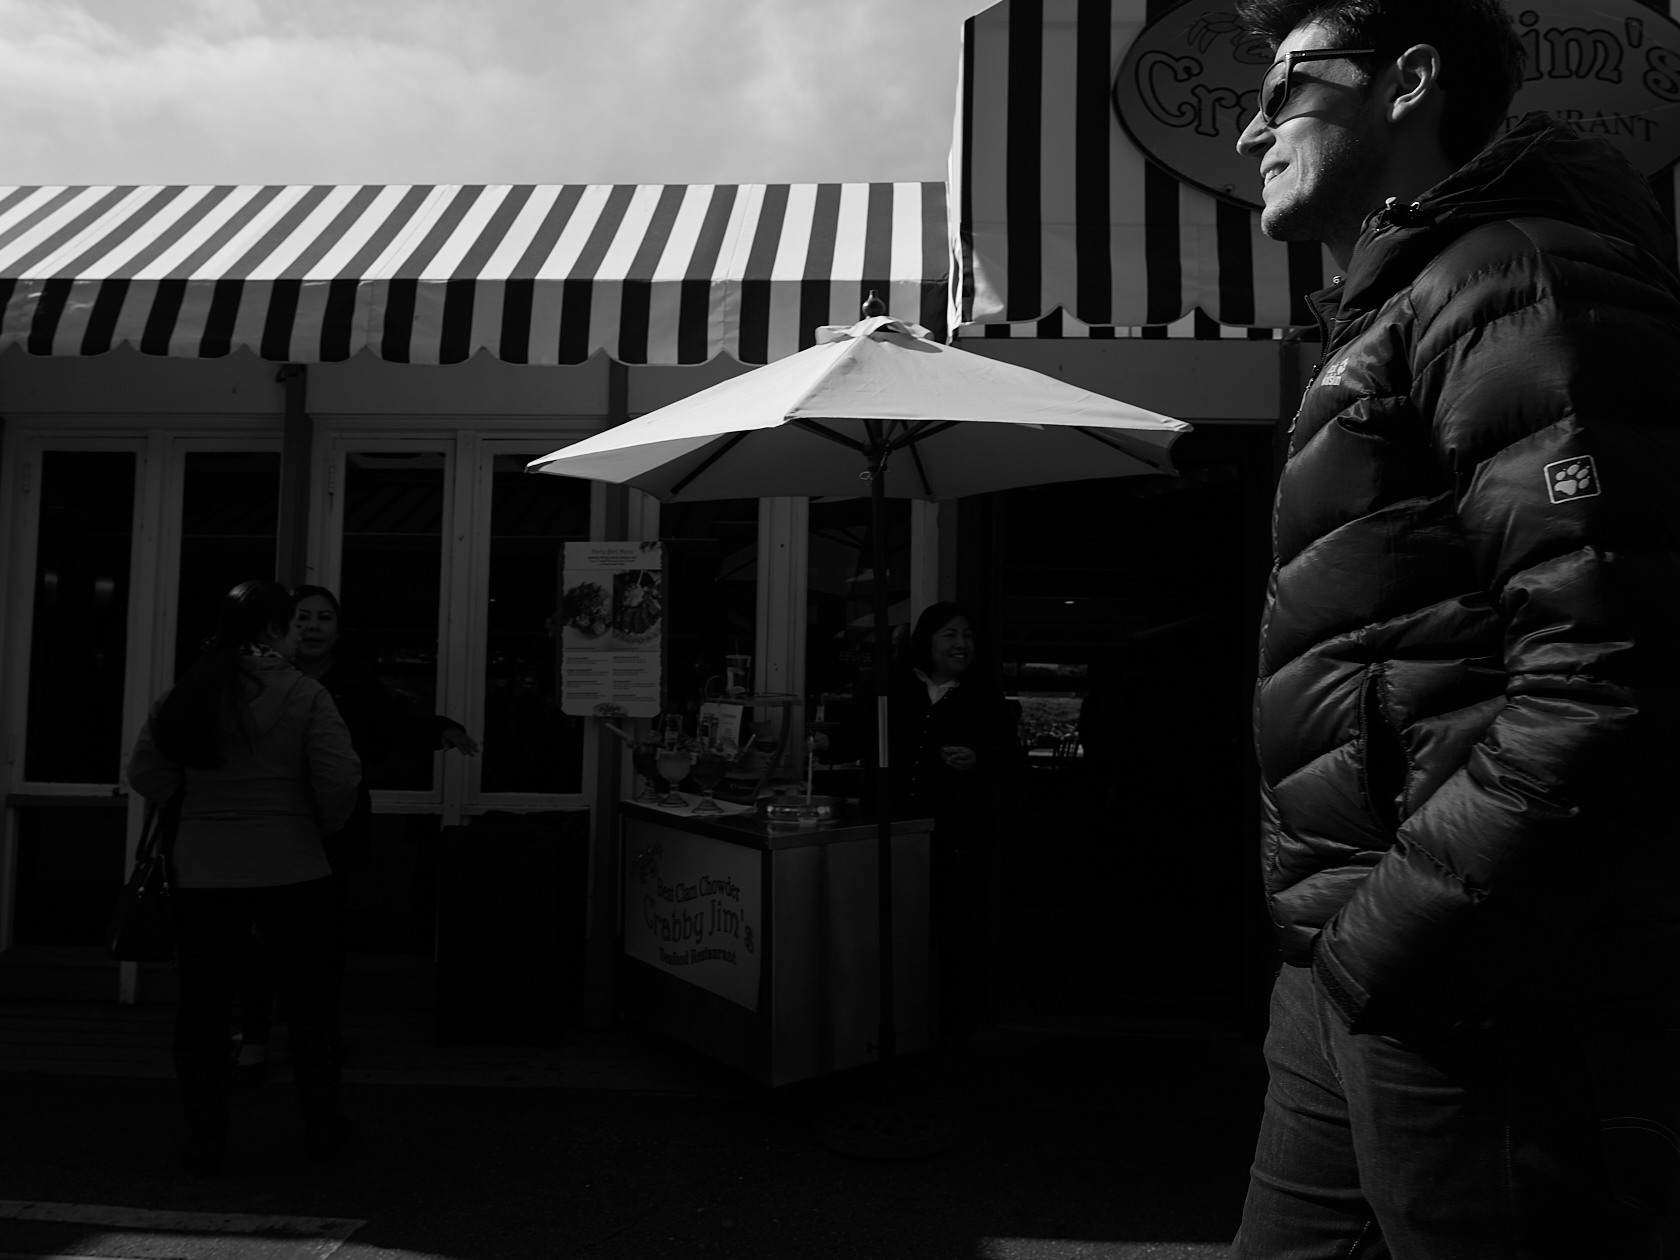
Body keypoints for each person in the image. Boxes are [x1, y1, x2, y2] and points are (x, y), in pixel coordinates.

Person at [1230, 1, 1680, 1254]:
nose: (1252, 128)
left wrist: (1396, 938)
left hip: (1477, 984)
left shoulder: (1514, 282)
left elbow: (1611, 681)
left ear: (1409, 82)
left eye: (1287, 85)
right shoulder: (1405, 307)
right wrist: (1341, 952)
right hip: (1348, 971)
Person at [126, 580, 360, 1174]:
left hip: (203, 870)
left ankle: (206, 1136)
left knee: (203, 1007)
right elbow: (339, 778)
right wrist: (317, 825)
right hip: (293, 866)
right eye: (290, 625)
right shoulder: (306, 693)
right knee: (309, 1006)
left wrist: (199, 803)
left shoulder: (188, 693)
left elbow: (146, 773)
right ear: (273, 632)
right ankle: (320, 1127)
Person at [228, 584, 480, 1083]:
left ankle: (319, 1034)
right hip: (267, 822)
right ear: (280, 626)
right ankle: (255, 1035)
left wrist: (441, 729)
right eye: (303, 617)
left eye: (324, 617)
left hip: (332, 828)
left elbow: (393, 724)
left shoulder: (356, 680)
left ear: (338, 630)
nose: (314, 626)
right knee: (258, 935)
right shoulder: (253, 677)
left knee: (323, 936)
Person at [822, 602, 1017, 1042]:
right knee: (886, 931)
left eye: (967, 636)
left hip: (953, 838)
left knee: (952, 935)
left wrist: (977, 759)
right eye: (949, 635)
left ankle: (948, 1031)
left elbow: (1009, 760)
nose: (961, 644)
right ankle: (878, 1025)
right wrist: (821, 741)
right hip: (888, 833)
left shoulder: (984, 695)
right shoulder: (889, 688)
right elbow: (852, 736)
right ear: (926, 641)